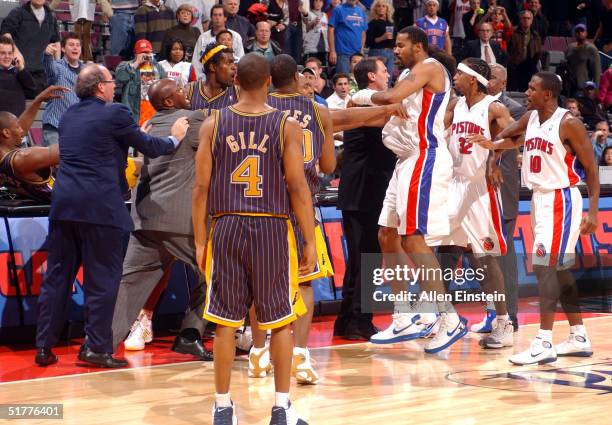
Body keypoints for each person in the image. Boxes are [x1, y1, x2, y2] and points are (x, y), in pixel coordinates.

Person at [34, 64, 189, 368]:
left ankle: (44, 347)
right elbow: (152, 148)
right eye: (110, 81)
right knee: (102, 282)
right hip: (100, 209)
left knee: (57, 280)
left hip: (64, 206)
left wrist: (131, 135)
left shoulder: (68, 116)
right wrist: (175, 138)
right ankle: (96, 348)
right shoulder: (116, 112)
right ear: (98, 86)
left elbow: (99, 147)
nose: (114, 86)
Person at [193, 52, 314, 424]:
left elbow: (200, 188)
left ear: (235, 81)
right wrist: (308, 239)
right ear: (267, 84)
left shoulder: (212, 123)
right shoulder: (285, 125)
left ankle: (222, 406)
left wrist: (200, 240)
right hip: (271, 227)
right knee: (279, 321)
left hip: (226, 225)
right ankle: (281, 407)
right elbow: (297, 186)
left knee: (225, 323)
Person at [351, 26, 466, 353]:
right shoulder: (410, 76)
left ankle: (448, 317)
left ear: (418, 45)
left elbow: (386, 97)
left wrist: (361, 95)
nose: (395, 50)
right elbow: (389, 105)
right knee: (386, 234)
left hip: (424, 156)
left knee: (413, 237)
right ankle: (402, 316)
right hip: (405, 161)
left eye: (400, 45)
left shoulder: (428, 67)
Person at [473, 71, 600, 365]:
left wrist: (592, 212)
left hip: (561, 198)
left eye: (531, 89)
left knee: (544, 267)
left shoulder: (569, 123)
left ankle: (543, 341)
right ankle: (578, 336)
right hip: (540, 199)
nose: (526, 93)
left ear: (548, 94)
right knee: (559, 269)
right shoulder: (531, 118)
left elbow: (592, 169)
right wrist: (492, 149)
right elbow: (509, 137)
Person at [111, 79, 212, 361]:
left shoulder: (149, 122)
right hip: (178, 220)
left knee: (128, 284)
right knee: (216, 275)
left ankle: (100, 343)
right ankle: (190, 335)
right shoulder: (191, 119)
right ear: (168, 101)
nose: (185, 92)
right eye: (179, 90)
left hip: (144, 216)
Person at [250, 54, 336, 385]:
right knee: (305, 282)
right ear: (298, 76)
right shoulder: (319, 110)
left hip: (263, 205)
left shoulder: (257, 107)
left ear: (268, 79)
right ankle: (300, 355)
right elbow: (328, 166)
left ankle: (258, 353)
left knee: (258, 283)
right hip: (302, 206)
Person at [425, 58, 514, 349]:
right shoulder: (454, 105)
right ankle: (438, 315)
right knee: (428, 243)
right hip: (453, 186)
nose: (454, 78)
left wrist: (494, 153)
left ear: (473, 80)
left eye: (459, 75)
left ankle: (503, 321)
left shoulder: (494, 107)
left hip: (480, 191)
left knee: (484, 259)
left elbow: (519, 134)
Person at [336, 57, 397, 341]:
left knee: (363, 261)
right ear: (372, 77)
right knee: (367, 261)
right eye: (384, 72)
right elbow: (393, 117)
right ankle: (357, 320)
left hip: (363, 192)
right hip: (364, 192)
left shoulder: (363, 103)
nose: (389, 76)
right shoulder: (365, 105)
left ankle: (352, 319)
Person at [0, 85, 68, 202]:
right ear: (6, 133)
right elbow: (72, 149)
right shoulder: (23, 158)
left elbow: (17, 128)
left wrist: (39, 99)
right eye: (18, 127)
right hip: (74, 204)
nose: (22, 130)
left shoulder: (5, 161)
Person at [0, 0, 60, 93]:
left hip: (41, 74)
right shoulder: (17, 12)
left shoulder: (51, 17)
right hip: (20, 71)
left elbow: (56, 41)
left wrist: (58, 64)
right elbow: (6, 33)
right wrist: (15, 51)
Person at [41, 33, 84, 147]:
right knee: (55, 163)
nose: (75, 47)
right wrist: (47, 55)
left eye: (78, 45)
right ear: (63, 49)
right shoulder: (57, 66)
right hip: (55, 127)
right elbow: (50, 70)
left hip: (76, 129)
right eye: (71, 45)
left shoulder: (86, 71)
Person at [115, 39, 167, 125]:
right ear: (135, 54)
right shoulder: (125, 65)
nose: (145, 55)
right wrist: (137, 63)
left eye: (148, 52)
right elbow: (120, 77)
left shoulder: (158, 67)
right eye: (142, 52)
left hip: (153, 116)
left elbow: (165, 87)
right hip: (134, 116)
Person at [192, 5, 245, 78]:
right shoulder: (203, 37)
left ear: (225, 18)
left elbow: (241, 60)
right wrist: (201, 80)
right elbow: (196, 62)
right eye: (215, 15)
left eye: (220, 15)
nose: (217, 18)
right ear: (211, 18)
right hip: (206, 79)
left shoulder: (236, 36)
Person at [187, 42, 238, 112]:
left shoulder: (238, 93)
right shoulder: (190, 90)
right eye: (228, 63)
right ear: (213, 67)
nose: (234, 67)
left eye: (234, 63)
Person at [0, 35, 36, 117]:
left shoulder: (19, 74)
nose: (7, 56)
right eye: (2, 53)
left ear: (13, 55)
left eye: (10, 53)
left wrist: (22, 70)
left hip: (17, 125)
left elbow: (33, 93)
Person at [328, 0, 367, 74]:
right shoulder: (337, 9)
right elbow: (330, 30)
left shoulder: (361, 11)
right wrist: (332, 51)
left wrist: (361, 49)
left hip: (357, 54)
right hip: (343, 54)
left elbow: (363, 32)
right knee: (343, 80)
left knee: (357, 82)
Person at [507, 9, 542, 92]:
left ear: (532, 21)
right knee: (512, 91)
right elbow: (507, 47)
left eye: (528, 18)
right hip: (514, 67)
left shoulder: (535, 35)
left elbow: (538, 51)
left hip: (528, 68)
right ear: (520, 20)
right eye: (524, 18)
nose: (526, 20)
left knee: (526, 92)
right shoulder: (513, 32)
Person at [566, 24, 602, 91]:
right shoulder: (570, 47)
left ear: (586, 33)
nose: (579, 33)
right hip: (569, 84)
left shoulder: (591, 49)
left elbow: (597, 71)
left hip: (583, 86)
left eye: (582, 30)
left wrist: (596, 89)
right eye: (577, 31)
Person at [367, 0, 396, 80]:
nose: (381, 8)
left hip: (390, 52)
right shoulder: (372, 23)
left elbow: (396, 38)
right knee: (377, 78)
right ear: (375, 9)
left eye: (383, 6)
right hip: (377, 52)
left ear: (387, 8)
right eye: (378, 6)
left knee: (388, 78)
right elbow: (368, 42)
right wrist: (382, 37)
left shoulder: (391, 23)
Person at [302, 0, 329, 66]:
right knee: (310, 68)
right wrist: (313, 22)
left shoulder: (325, 15)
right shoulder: (308, 13)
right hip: (311, 48)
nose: (318, 3)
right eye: (316, 1)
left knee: (323, 69)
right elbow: (306, 27)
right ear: (312, 2)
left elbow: (327, 32)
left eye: (320, 1)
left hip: (323, 48)